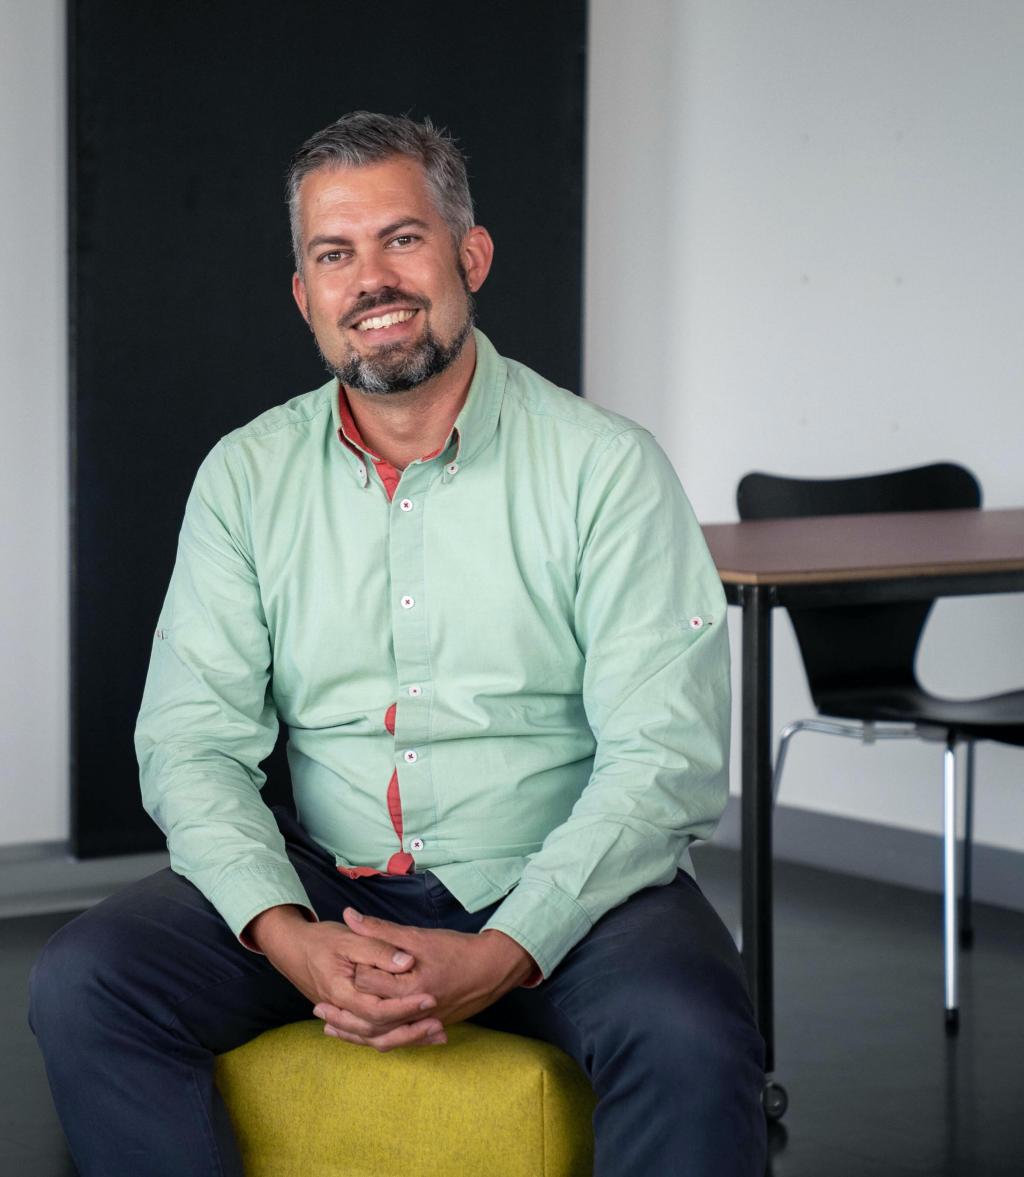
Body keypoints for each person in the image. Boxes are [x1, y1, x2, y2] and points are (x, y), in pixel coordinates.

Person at [30, 111, 766, 1175]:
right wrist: (287, 931)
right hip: (325, 880)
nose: (369, 278)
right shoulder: (246, 476)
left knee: (692, 1035)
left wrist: (508, 948)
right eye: (334, 254)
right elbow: (192, 739)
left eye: (401, 238)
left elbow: (667, 755)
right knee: (86, 980)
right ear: (306, 298)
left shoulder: (605, 468)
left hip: (562, 878)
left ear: (471, 255)